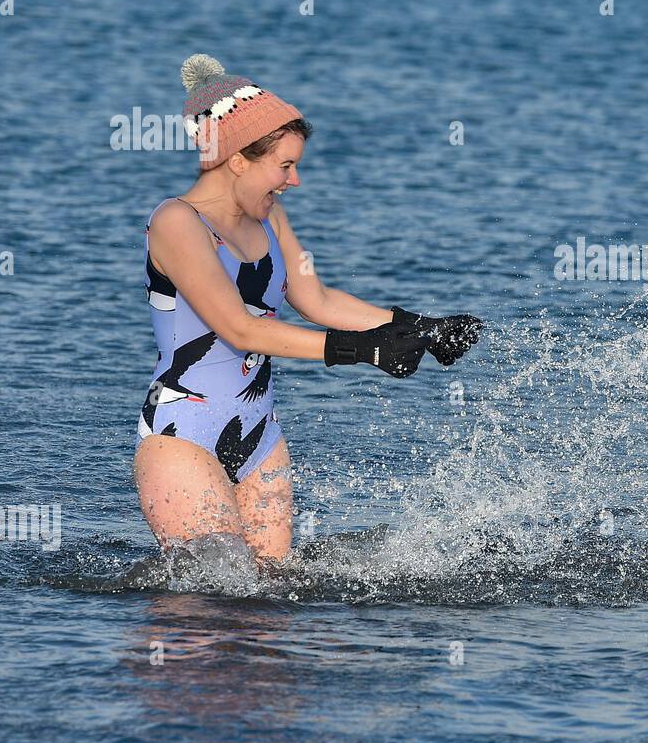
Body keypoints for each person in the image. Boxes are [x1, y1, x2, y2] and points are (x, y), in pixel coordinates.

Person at [134, 54, 483, 565]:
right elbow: (240, 328)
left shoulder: (271, 219)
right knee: (210, 604)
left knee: (268, 605)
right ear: (237, 159)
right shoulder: (176, 222)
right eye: (285, 166)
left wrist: (418, 328)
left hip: (259, 435)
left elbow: (316, 300)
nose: (294, 181)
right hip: (180, 433)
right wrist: (362, 351)